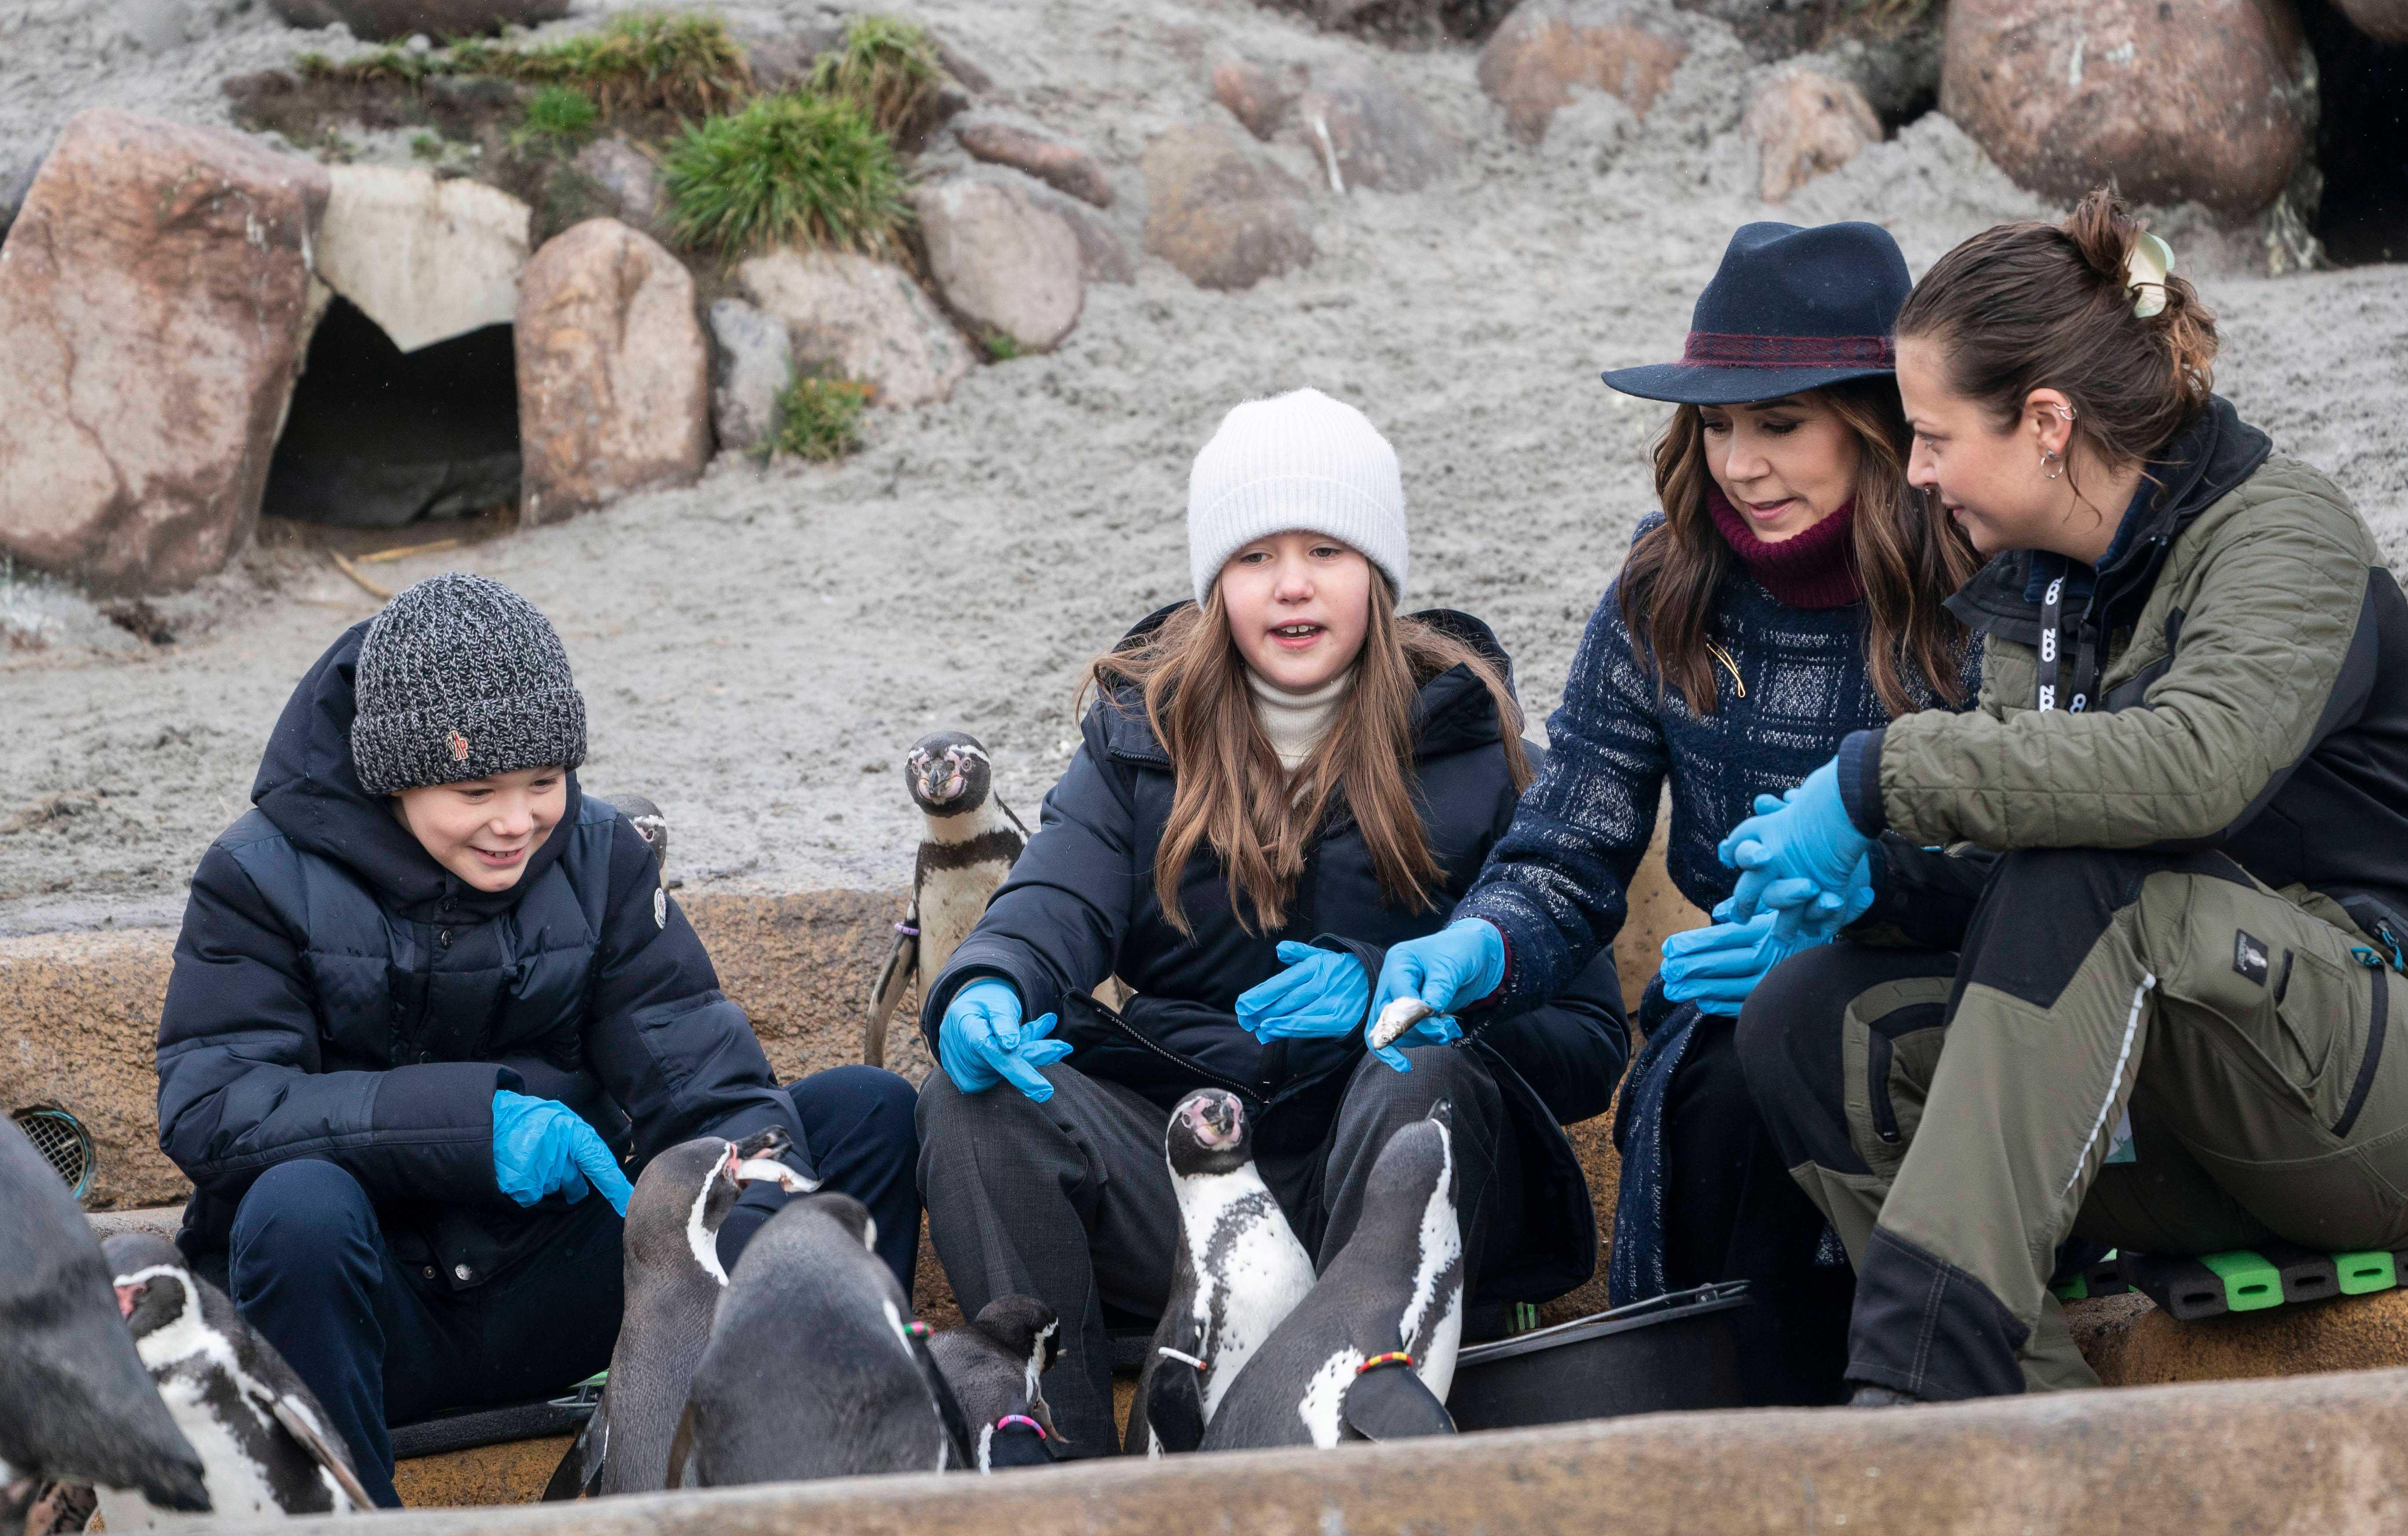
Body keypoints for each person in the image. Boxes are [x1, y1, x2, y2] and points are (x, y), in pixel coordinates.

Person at [1693, 188, 2408, 1402]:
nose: (1911, 472)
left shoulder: (2283, 537)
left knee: (2099, 869)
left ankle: (1916, 1390)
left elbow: (2190, 768)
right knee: (1808, 1018)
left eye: (1929, 435)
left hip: (2364, 1098)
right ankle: (2025, 1435)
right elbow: (2017, 864)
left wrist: (1876, 781)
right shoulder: (2039, 586)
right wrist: (1880, 886)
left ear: (2043, 420)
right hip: (2178, 1123)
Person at [914, 388, 1629, 1452]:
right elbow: (1052, 900)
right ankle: (1056, 1482)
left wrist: (1393, 993)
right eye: (1253, 559)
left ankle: (1351, 1437)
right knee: (973, 1100)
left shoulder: (1477, 743)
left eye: (1327, 551)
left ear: (1378, 576)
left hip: (1388, 1198)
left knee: (1419, 1075)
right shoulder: (1137, 735)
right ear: (1213, 587)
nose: (1290, 586)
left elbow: (1584, 1043)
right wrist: (986, 986)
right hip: (1198, 1187)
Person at [1373, 221, 1981, 1406]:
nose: (1738, 464)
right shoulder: (1662, 584)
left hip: (1952, 1000)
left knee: (1780, 1064)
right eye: (1715, 424)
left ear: (1877, 419)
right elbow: (1569, 843)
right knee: (1713, 1089)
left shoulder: (1977, 581)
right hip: (1721, 1025)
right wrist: (1478, 944)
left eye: (1779, 422)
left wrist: (1852, 917)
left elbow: (2031, 844)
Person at [154, 573, 921, 1505]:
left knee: (859, 1116)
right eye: (476, 789)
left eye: (543, 783)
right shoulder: (256, 875)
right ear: (392, 775)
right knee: (296, 1207)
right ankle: (349, 1520)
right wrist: (473, 1132)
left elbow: (704, 1077)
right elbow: (214, 1106)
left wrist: (747, 1262)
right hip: (375, 1316)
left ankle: (794, 1457)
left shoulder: (600, 858)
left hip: (571, 1288)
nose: (516, 822)